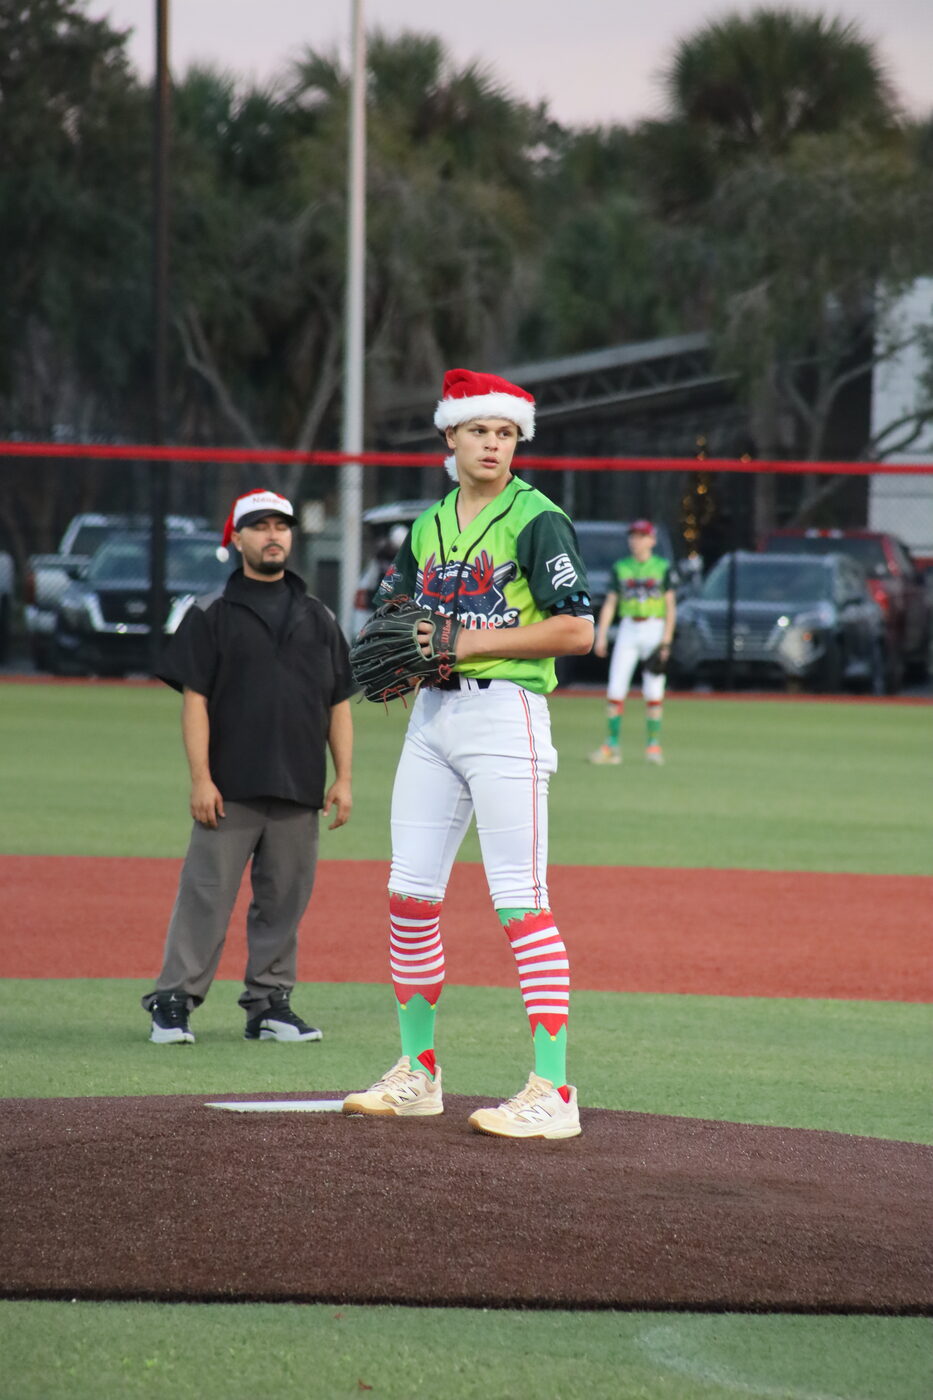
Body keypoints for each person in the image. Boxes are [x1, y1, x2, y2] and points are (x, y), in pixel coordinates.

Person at [342, 368, 594, 1139]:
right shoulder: (426, 525)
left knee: (520, 901)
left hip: (504, 715)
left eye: (506, 433)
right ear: (449, 435)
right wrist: (397, 646)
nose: (493, 444)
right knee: (409, 897)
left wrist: (465, 641)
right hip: (432, 718)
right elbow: (395, 615)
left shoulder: (538, 519)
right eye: (479, 430)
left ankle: (552, 1090)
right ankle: (417, 1073)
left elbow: (576, 630)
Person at [142, 488, 354, 1045]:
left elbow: (338, 703)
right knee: (206, 899)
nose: (272, 535)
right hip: (229, 786)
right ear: (237, 539)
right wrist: (201, 779)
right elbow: (194, 700)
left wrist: (344, 778)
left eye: (281, 526)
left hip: (299, 787)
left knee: (283, 903)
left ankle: (269, 1005)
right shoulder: (210, 612)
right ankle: (173, 1002)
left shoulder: (318, 615)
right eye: (259, 526)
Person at [589, 519, 676, 766]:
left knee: (654, 690)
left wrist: (666, 641)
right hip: (628, 627)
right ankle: (611, 746)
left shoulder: (662, 567)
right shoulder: (621, 567)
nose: (636, 540)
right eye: (633, 536)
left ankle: (653, 746)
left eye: (641, 536)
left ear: (652, 540)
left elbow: (670, 605)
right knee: (616, 688)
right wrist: (601, 634)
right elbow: (611, 603)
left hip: (654, 627)